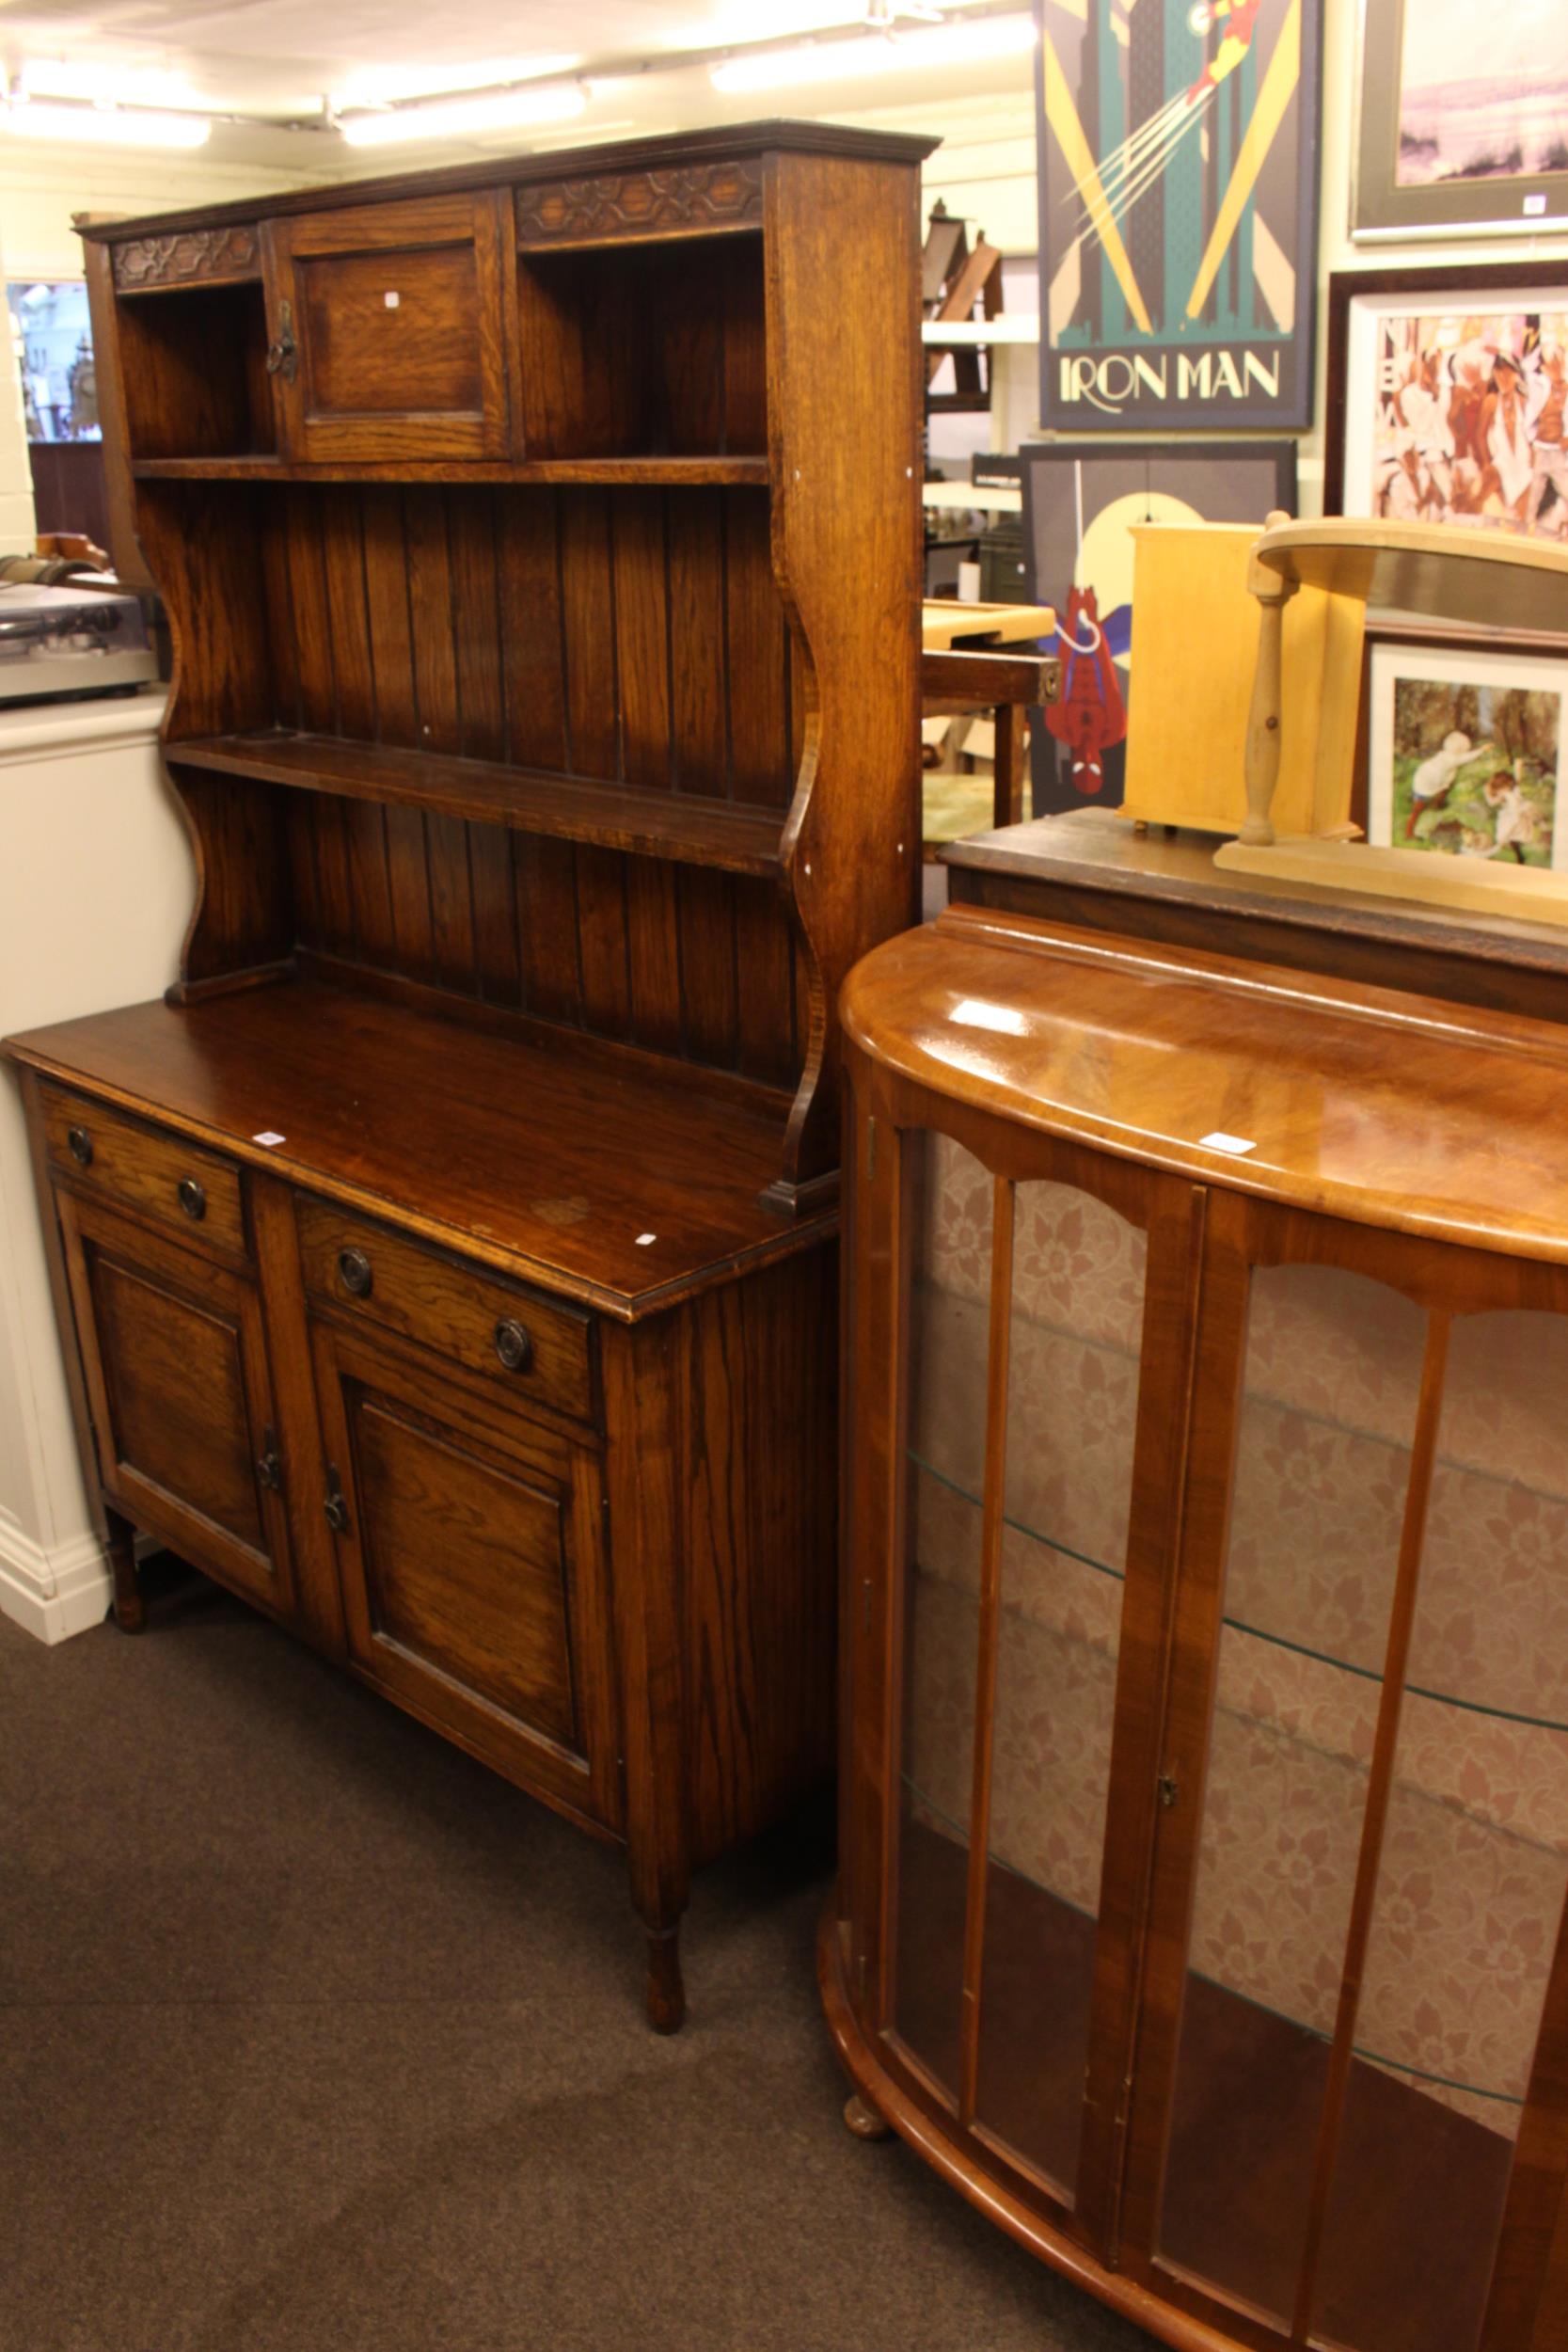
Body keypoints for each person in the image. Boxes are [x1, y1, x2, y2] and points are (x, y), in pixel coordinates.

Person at [1405, 729, 1484, 836]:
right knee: (1418, 807)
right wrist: (1482, 750)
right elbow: (1467, 758)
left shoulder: (1444, 754)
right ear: (1459, 750)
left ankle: (1436, 805)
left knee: (1440, 791)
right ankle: (1409, 831)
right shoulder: (1453, 759)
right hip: (1429, 781)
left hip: (1424, 775)